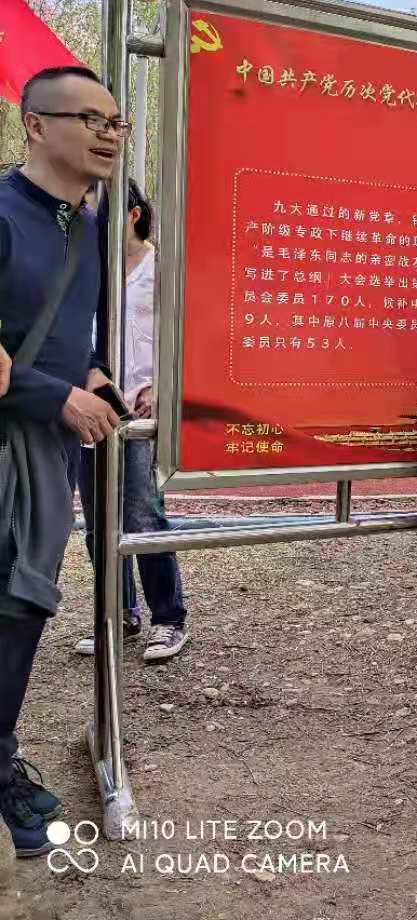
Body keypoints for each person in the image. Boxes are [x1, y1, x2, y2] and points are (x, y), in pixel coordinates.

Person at [1, 66, 124, 856]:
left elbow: (71, 332)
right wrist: (60, 397)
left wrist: (94, 374)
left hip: (46, 452)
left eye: (116, 122)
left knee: (22, 606)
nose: (108, 134)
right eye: (91, 119)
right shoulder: (4, 214)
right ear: (37, 125)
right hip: (14, 439)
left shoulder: (87, 226)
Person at [77, 182, 190, 663]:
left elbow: (185, 333)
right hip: (91, 408)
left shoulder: (161, 268)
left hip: (140, 412)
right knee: (97, 520)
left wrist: (162, 386)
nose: (93, 225)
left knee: (144, 515)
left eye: (101, 215)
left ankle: (169, 618)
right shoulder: (88, 270)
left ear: (134, 215)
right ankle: (118, 613)